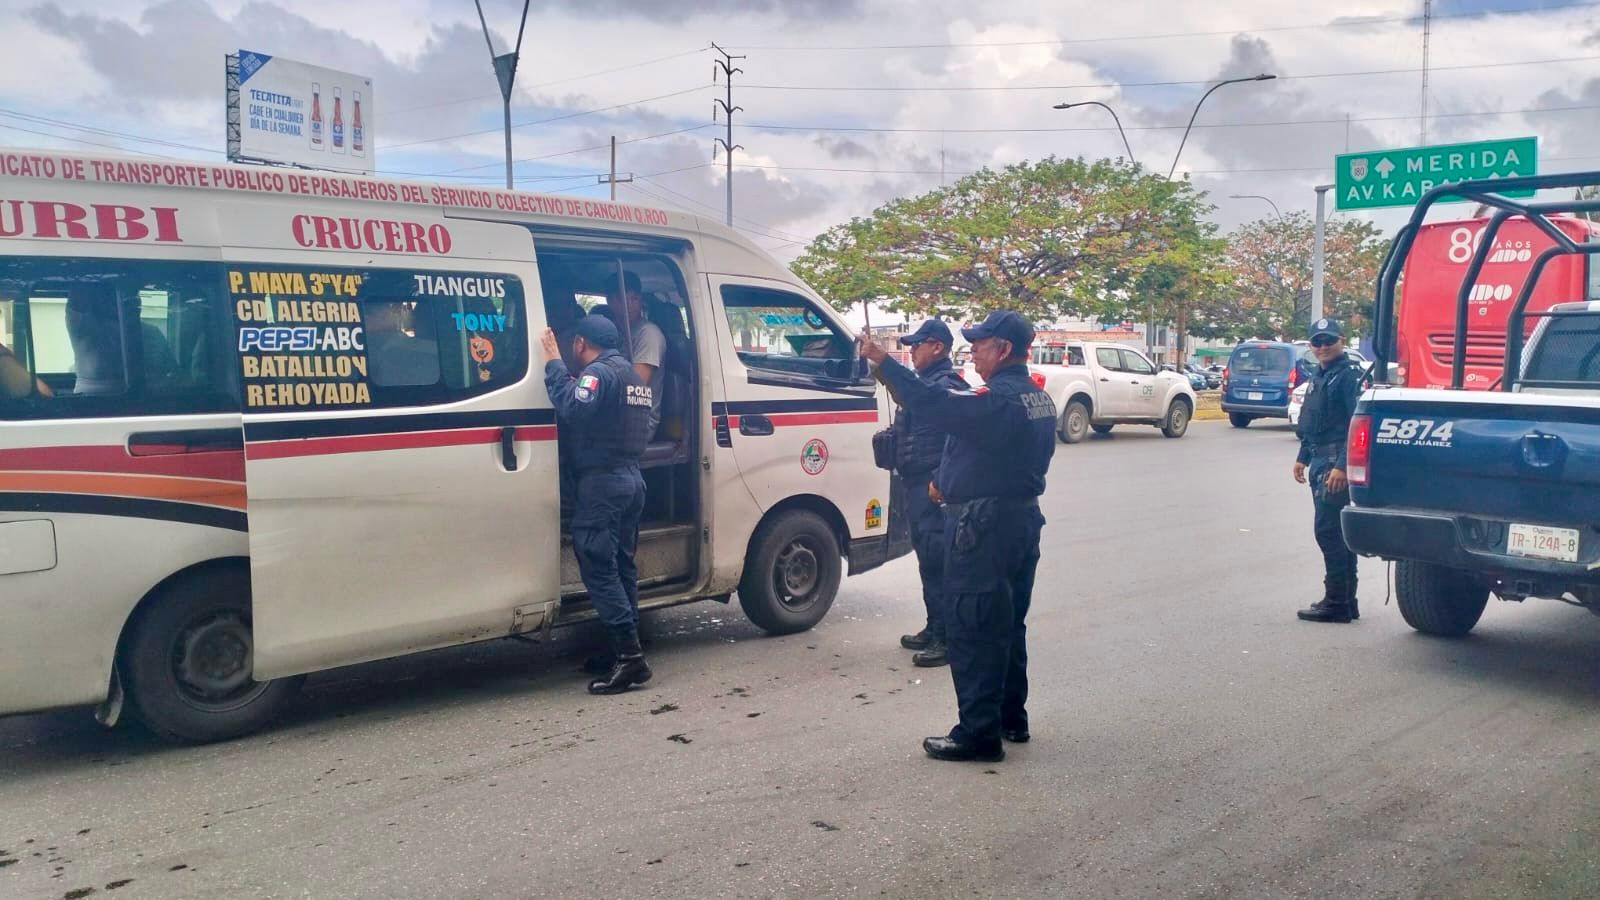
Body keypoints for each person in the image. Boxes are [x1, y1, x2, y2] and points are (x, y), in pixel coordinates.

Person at [860, 310, 1056, 763]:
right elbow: (986, 451)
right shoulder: (1035, 398)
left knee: (972, 628)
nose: (973, 351)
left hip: (983, 528)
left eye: (981, 343)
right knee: (1007, 624)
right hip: (1019, 522)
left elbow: (936, 407)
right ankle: (1011, 718)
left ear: (1004, 349)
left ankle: (978, 733)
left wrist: (884, 364)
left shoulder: (997, 400)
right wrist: (946, 480)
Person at [539, 313, 656, 694]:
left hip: (603, 485)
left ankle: (630, 660)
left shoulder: (599, 374)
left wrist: (553, 363)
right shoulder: (633, 378)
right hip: (631, 481)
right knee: (621, 567)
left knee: (600, 568)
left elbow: (573, 407)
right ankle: (623, 649)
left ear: (580, 344)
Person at [892, 319, 969, 668]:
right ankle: (934, 625)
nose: (912, 350)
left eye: (917, 344)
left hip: (935, 489)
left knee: (939, 561)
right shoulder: (923, 384)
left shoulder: (947, 387)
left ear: (937, 347)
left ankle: (947, 637)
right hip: (915, 485)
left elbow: (957, 442)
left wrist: (940, 480)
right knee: (927, 560)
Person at [1293, 317, 1365, 624]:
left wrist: (1342, 467)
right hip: (1320, 459)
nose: (1323, 347)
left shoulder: (1348, 377)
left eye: (1329, 341)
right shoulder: (1321, 376)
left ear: (1341, 341)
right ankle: (1346, 601)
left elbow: (1356, 424)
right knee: (1335, 532)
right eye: (1317, 342)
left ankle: (1336, 602)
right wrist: (1302, 456)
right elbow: (1314, 423)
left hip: (1334, 463)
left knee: (1328, 532)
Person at [607, 271, 667, 435]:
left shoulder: (648, 334)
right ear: (610, 302)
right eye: (622, 299)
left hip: (638, 422)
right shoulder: (613, 331)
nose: (629, 305)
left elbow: (634, 386)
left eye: (634, 299)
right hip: (615, 413)